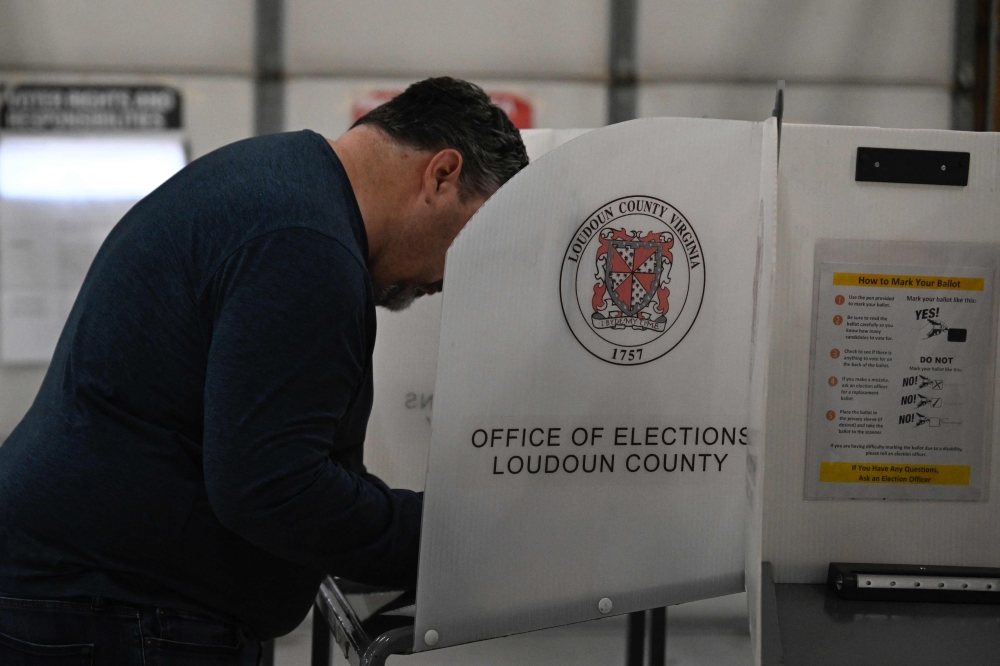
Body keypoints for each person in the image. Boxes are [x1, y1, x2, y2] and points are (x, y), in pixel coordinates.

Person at [0, 77, 528, 665]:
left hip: (87, 594)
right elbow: (273, 487)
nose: (451, 280)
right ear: (442, 174)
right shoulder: (306, 246)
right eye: (477, 239)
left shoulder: (282, 180)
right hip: (119, 613)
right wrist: (455, 536)